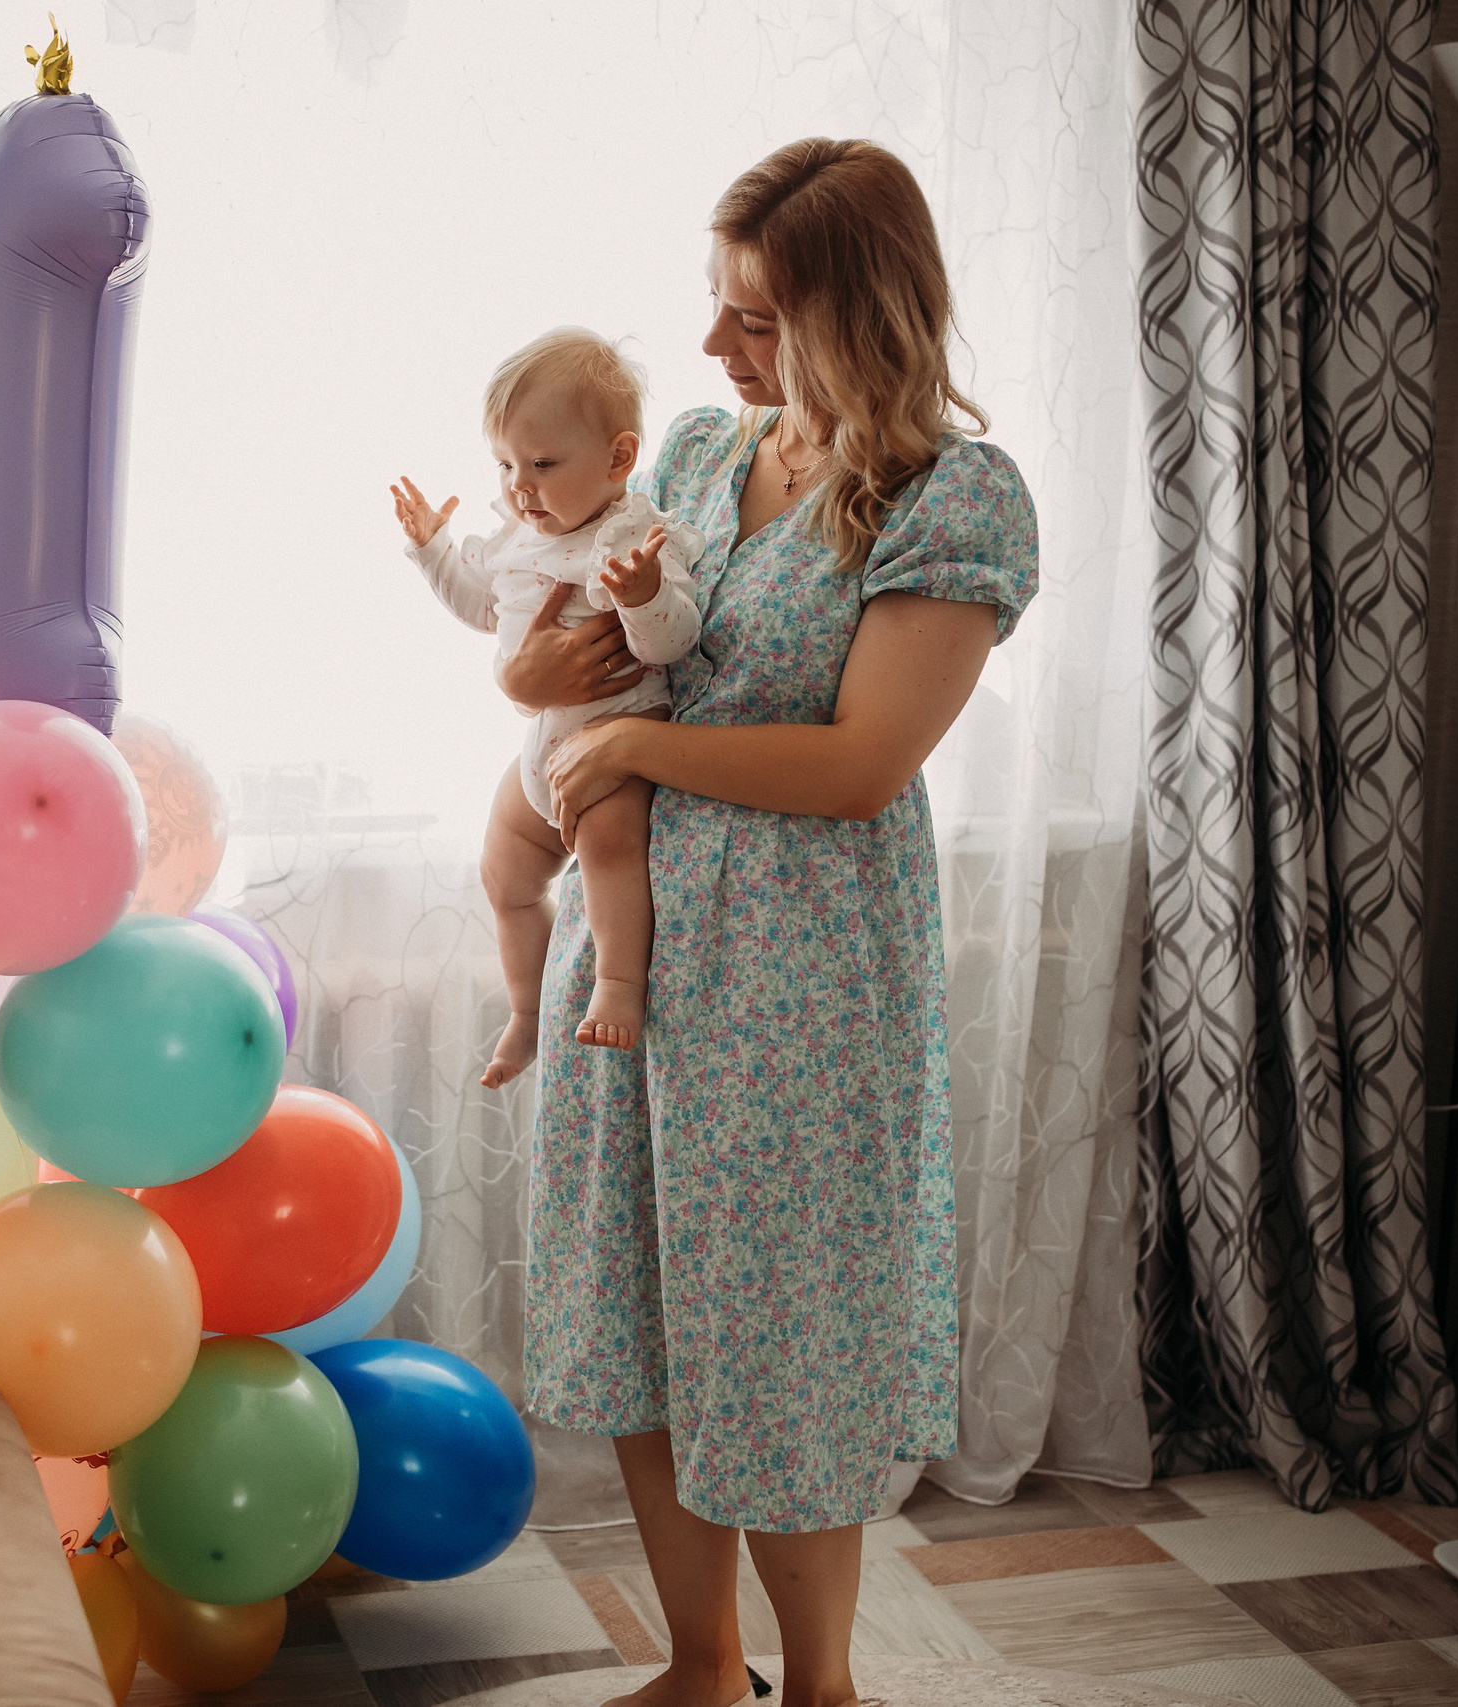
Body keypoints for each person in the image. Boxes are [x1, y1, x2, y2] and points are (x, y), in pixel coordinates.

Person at [503, 140, 1038, 1707]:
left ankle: (822, 1684)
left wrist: (642, 748)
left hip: (805, 958)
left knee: (785, 1322)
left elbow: (865, 761)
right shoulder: (686, 451)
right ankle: (697, 1661)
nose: (721, 348)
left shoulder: (952, 495)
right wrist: (541, 686)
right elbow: (592, 665)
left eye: (756, 316)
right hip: (645, 951)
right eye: (720, 309)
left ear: (859, 314)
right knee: (645, 1300)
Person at [391, 328, 714, 1087]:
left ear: (618, 459)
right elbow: (481, 607)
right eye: (505, 465)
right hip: (539, 751)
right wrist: (435, 551)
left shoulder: (630, 539)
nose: (519, 488)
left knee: (608, 852)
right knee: (504, 878)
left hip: (613, 749)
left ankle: (618, 984)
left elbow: (673, 643)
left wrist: (644, 598)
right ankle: (527, 1012)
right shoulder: (516, 539)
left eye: (541, 465)